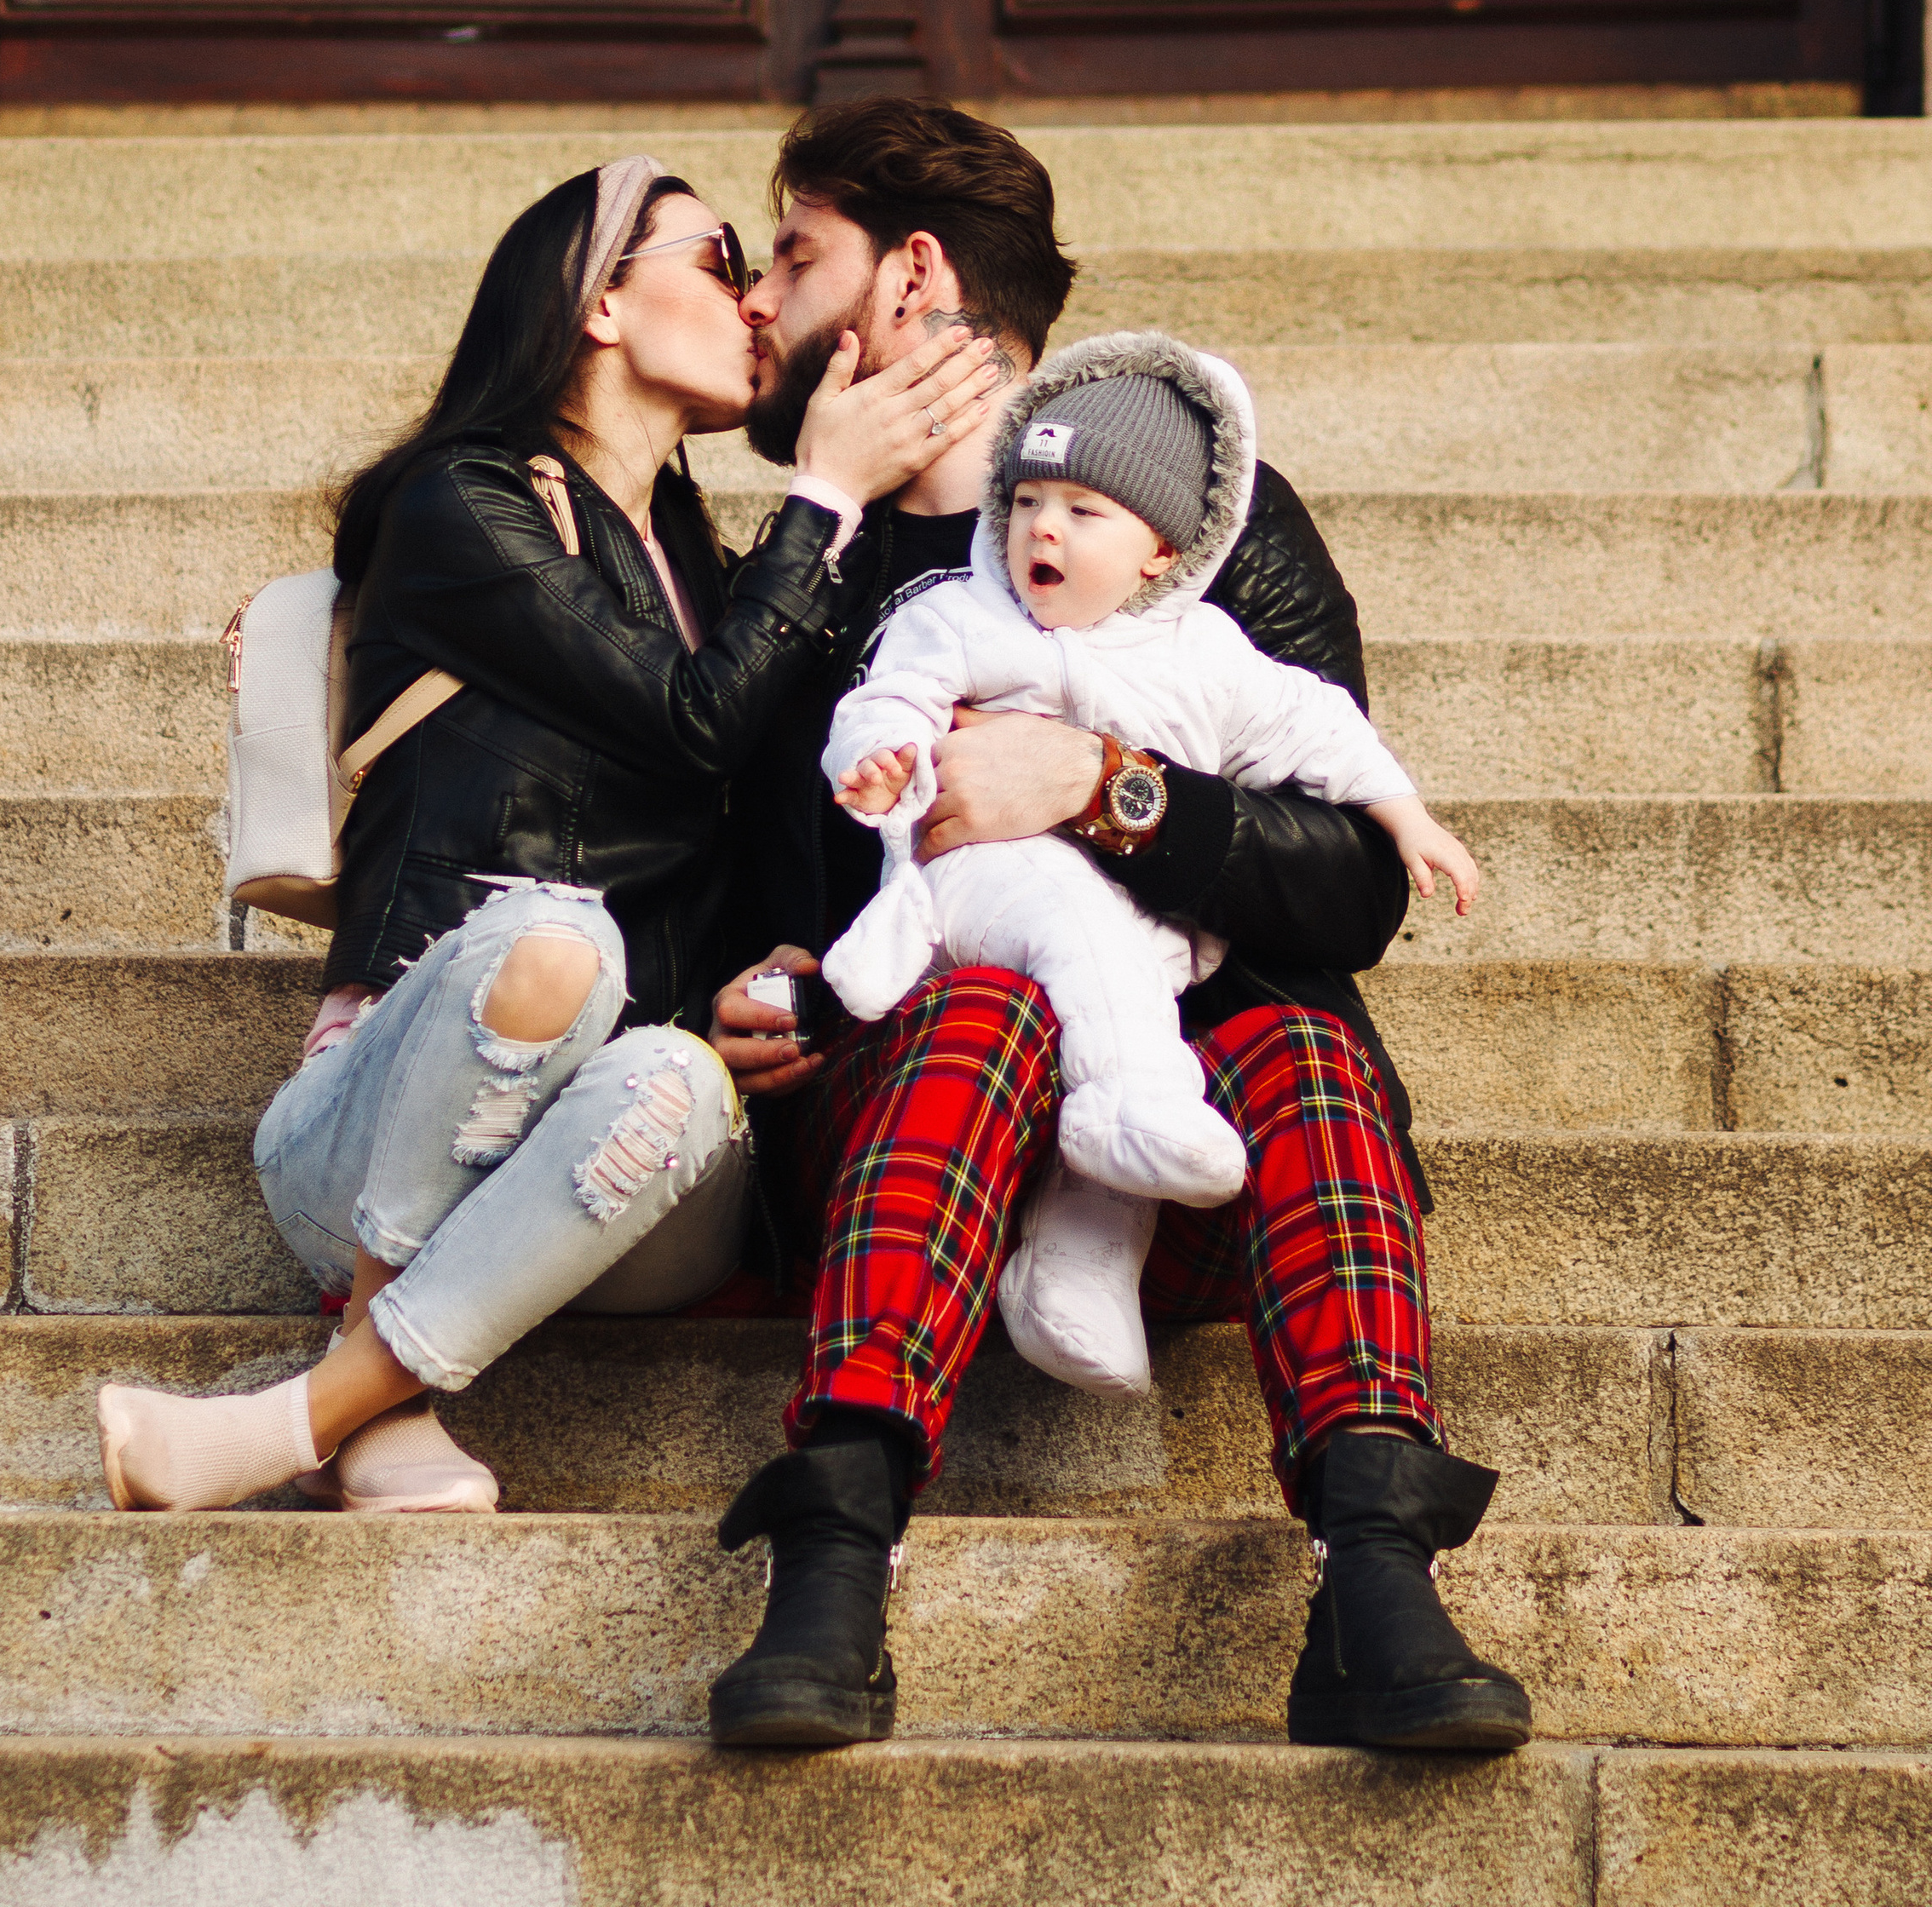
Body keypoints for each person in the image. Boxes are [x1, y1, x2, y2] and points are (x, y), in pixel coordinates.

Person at [704, 99, 1532, 1759]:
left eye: (794, 256)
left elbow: (1348, 883)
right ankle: (827, 1565)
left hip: (1200, 1149)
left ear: (907, 276)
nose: (757, 305)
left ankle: (1374, 1581)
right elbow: (698, 841)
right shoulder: (813, 577)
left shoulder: (1206, 536)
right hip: (911, 1140)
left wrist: (1100, 786)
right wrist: (733, 984)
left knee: (1295, 1039)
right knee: (981, 1003)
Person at [95, 152, 1002, 1518]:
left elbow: (742, 799)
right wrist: (823, 500)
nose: (758, 305)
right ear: (600, 305)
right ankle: (370, 1391)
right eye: (719, 263)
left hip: (610, 1175)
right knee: (549, 938)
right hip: (381, 1123)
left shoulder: (705, 559)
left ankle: (309, 1414)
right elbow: (695, 719)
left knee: (685, 1079)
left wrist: (742, 997)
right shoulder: (461, 505)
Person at [819, 330, 1476, 1398]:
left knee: (1148, 1007)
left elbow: (1314, 730)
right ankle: (853, 1470)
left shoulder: (1202, 651)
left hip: (1147, 956)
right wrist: (879, 759)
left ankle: (1077, 1284)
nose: (1044, 527)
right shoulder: (960, 614)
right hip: (983, 915)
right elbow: (889, 698)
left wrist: (1404, 816)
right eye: (1028, 501)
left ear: (1161, 551)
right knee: (1072, 965)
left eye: (1084, 513)